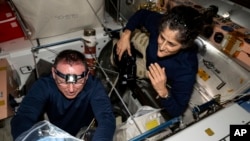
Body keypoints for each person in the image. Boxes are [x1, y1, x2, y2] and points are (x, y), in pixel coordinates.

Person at [113, 5, 209, 118]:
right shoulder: (163, 24)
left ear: (184, 46)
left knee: (116, 61)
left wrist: (163, 92)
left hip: (153, 72)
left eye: (171, 44)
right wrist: (126, 34)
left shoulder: (186, 69)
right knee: (120, 36)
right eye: (162, 37)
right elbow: (142, 14)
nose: (162, 47)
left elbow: (178, 110)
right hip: (148, 47)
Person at [11, 49, 116, 141]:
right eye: (63, 81)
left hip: (84, 132)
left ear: (87, 76)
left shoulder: (94, 86)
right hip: (56, 133)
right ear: (53, 73)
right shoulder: (44, 85)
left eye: (78, 82)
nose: (71, 89)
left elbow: (106, 118)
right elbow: (23, 117)